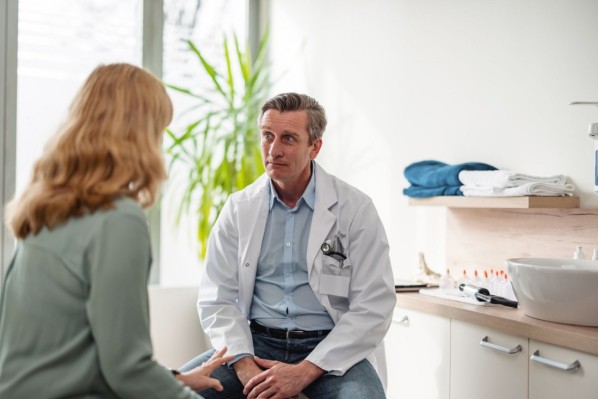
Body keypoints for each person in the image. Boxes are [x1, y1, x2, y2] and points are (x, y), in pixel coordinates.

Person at [0, 63, 233, 398]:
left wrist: (175, 380)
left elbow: (72, 355)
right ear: (138, 134)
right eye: (159, 131)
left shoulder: (46, 207)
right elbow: (127, 370)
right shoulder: (118, 219)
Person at [181, 92, 396, 399]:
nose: (274, 150)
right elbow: (218, 299)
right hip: (254, 346)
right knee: (177, 393)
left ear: (315, 147)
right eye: (267, 136)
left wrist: (305, 371)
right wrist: (245, 368)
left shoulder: (355, 209)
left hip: (330, 348)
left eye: (289, 139)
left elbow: (374, 305)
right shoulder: (239, 208)